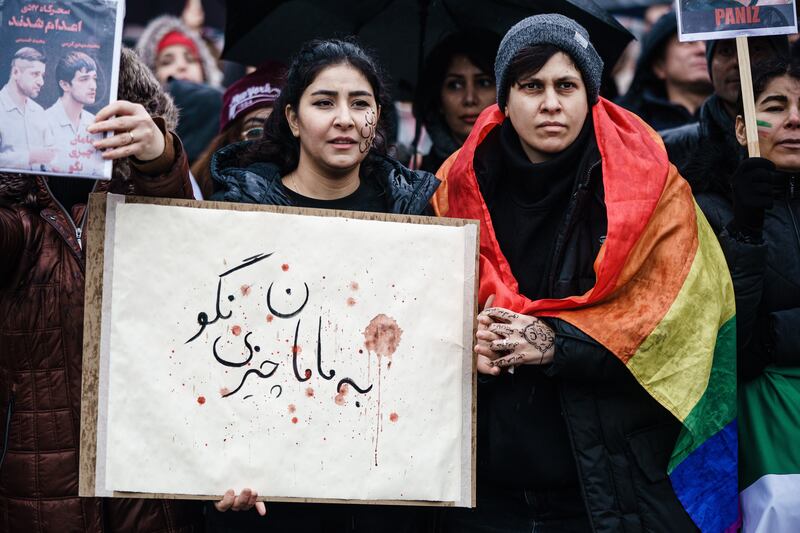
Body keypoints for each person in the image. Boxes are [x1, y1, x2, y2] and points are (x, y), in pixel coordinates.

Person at [432, 14, 736, 532]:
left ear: (591, 96)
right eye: (531, 86)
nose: (551, 103)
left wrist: (555, 341)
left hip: (606, 488)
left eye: (566, 86)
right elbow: (419, 318)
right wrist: (469, 343)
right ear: (504, 100)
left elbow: (683, 329)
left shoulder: (654, 189)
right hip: (485, 490)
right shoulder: (449, 188)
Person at [207, 38, 440, 532]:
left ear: (378, 116)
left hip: (380, 496)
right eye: (323, 102)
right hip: (269, 495)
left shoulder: (416, 218)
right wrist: (216, 465)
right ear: (292, 118)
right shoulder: (238, 215)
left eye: (360, 103)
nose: (344, 119)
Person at [0, 48, 203, 532]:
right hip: (35, 480)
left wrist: (158, 158)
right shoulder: (17, 212)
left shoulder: (143, 185)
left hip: (147, 479)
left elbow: (190, 250)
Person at [695, 56, 800, 532]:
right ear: (742, 129)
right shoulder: (710, 211)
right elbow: (736, 346)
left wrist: (778, 331)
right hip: (762, 444)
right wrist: (746, 228)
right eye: (775, 107)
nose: (794, 119)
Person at [662, 36, 789, 189]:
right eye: (725, 51)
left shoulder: (794, 138)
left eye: (757, 49)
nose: (738, 61)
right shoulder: (670, 149)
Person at [136, 15, 224, 163]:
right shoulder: (140, 131)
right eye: (167, 62)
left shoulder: (228, 120)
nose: (182, 66)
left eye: (190, 59)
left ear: (205, 70)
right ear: (150, 75)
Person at [192, 61, 285, 198]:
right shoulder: (199, 196)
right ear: (230, 143)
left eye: (283, 130)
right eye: (256, 132)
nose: (270, 142)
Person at [412, 30, 500, 173]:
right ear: (439, 100)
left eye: (483, 83)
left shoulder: (531, 168)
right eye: (455, 85)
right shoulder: (421, 183)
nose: (470, 99)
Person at [618, 11, 712, 130]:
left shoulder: (738, 116)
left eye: (709, 42)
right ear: (659, 66)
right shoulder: (626, 123)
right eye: (687, 42)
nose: (702, 50)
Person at [45, 51, 106, 176]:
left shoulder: (95, 123)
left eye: (94, 79)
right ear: (65, 85)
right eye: (84, 79)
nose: (93, 86)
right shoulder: (43, 122)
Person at [0, 47, 55, 170]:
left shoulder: (39, 112)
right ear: (15, 73)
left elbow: (51, 156)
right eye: (35, 74)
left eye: (42, 75)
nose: (41, 82)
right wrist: (29, 157)